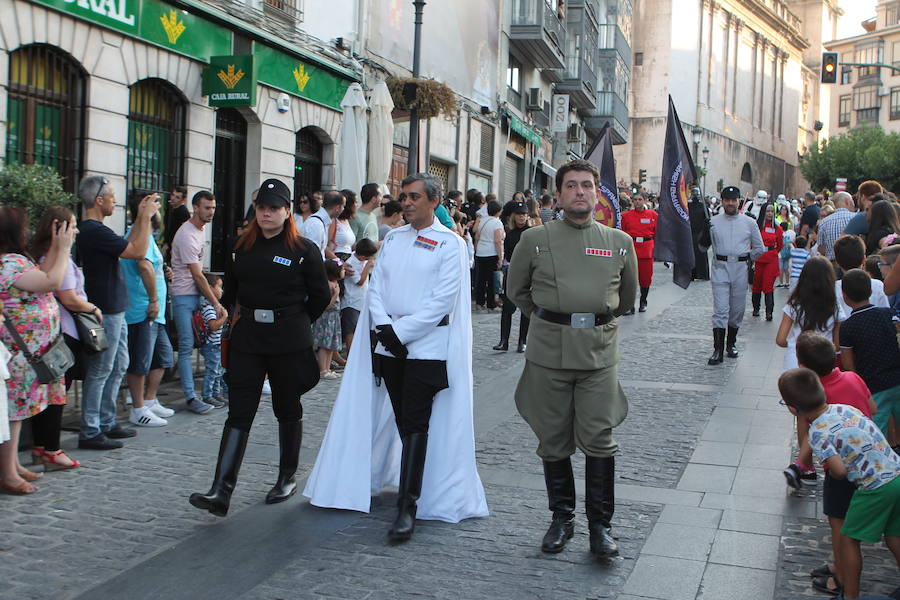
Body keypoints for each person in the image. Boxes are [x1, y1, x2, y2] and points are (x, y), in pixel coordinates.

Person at [304, 172, 489, 542]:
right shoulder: (393, 241)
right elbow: (377, 288)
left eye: (414, 197)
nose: (406, 202)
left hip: (426, 348)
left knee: (416, 422)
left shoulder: (449, 244)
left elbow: (443, 298)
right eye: (403, 196)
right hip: (389, 345)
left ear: (433, 201)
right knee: (404, 418)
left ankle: (408, 505)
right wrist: (386, 329)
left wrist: (401, 332)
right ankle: (398, 485)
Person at [507, 159, 638, 558]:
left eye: (586, 185)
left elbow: (626, 299)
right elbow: (518, 292)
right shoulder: (535, 239)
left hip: (598, 353)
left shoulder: (619, 242)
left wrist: (592, 320)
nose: (580, 192)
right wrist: (552, 321)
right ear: (559, 193)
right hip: (549, 353)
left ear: (597, 193)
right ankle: (562, 517)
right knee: (553, 437)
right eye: (571, 186)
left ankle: (601, 526)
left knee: (600, 437)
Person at [190, 179, 330, 517]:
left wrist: (296, 322)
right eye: (261, 208)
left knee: (286, 406)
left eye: (274, 208)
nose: (266, 213)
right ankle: (220, 490)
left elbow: (322, 296)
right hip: (249, 339)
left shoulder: (304, 250)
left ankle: (286, 476)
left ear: (287, 211)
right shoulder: (242, 246)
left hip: (288, 341)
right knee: (239, 411)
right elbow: (234, 294)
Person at [778, 367, 900, 600]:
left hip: (875, 488)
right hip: (897, 473)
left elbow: (840, 471)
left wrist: (835, 473)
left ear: (794, 408)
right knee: (895, 535)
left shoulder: (817, 432)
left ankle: (850, 595)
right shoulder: (845, 408)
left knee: (848, 539)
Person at [788, 332, 876, 597]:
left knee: (841, 529)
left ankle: (842, 579)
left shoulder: (817, 396)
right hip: (873, 463)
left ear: (803, 369)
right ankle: (838, 566)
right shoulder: (853, 377)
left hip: (843, 470)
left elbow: (809, 439)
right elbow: (872, 407)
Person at [76, 176, 159, 449]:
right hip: (105, 309)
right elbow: (137, 251)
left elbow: (130, 245)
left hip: (116, 307)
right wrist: (145, 217)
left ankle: (106, 421)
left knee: (118, 365)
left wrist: (140, 218)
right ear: (99, 200)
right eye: (111, 196)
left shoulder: (99, 229)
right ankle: (91, 429)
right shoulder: (92, 230)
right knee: (101, 369)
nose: (115, 201)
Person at [0, 206, 74, 493]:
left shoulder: (16, 260)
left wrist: (57, 246)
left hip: (29, 352)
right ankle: (7, 472)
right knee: (15, 412)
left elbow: (44, 273)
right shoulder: (7, 264)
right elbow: (51, 280)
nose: (27, 231)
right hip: (18, 352)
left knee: (20, 411)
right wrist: (64, 248)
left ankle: (11, 465)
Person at [121, 192, 174, 428]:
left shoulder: (147, 236)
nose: (159, 209)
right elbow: (143, 265)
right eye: (156, 205)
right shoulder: (138, 234)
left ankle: (150, 400)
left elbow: (152, 265)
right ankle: (138, 407)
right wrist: (153, 300)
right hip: (143, 308)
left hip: (155, 310)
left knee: (162, 355)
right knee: (140, 361)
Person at [170, 190, 225, 414]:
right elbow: (196, 274)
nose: (211, 212)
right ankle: (191, 397)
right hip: (183, 295)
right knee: (185, 347)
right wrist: (215, 302)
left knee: (206, 344)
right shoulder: (187, 234)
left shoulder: (200, 231)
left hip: (194, 294)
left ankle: (210, 390)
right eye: (206, 208)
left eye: (213, 208)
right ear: (195, 207)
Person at [699, 185, 765, 364]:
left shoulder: (749, 223)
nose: (730, 203)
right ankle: (717, 350)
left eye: (733, 200)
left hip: (740, 269)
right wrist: (705, 233)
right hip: (720, 267)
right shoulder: (713, 221)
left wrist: (747, 258)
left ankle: (731, 343)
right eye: (726, 200)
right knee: (720, 310)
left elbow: (759, 248)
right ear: (722, 201)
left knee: (737, 310)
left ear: (739, 201)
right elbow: (702, 248)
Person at [839, 269, 900, 443]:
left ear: (845, 295)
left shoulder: (847, 327)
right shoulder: (887, 314)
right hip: (897, 380)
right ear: (871, 291)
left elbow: (848, 364)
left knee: (877, 436)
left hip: (873, 387)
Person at [776, 256, 839, 371]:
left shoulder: (794, 304)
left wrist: (793, 344)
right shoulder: (835, 306)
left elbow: (780, 339)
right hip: (823, 362)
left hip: (795, 361)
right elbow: (837, 344)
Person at [493, 201, 530, 353]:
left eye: (524, 215)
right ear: (514, 216)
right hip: (512, 272)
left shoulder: (531, 233)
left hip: (528, 274)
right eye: (519, 215)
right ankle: (504, 341)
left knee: (526, 310)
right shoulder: (509, 233)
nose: (521, 218)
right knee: (507, 308)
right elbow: (507, 254)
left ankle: (522, 341)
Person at [833, 235, 890, 320]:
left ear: (837, 262)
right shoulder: (878, 285)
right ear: (864, 259)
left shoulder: (833, 288)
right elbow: (887, 315)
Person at [620, 192, 658, 313]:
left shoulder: (653, 215)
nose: (637, 202)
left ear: (645, 200)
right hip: (632, 249)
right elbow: (622, 233)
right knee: (630, 279)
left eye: (640, 199)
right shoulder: (626, 216)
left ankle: (643, 301)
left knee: (645, 278)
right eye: (635, 199)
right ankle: (630, 305)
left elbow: (657, 233)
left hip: (646, 250)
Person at [340, 237, 377, 354]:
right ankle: (351, 354)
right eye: (368, 258)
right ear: (362, 257)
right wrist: (367, 266)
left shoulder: (361, 259)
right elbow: (360, 281)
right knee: (351, 330)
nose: (369, 259)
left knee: (360, 329)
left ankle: (358, 353)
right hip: (351, 302)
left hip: (361, 301)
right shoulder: (351, 263)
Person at [199, 273, 228, 407]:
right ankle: (207, 395)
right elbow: (214, 326)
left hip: (216, 345)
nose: (221, 290)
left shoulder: (213, 307)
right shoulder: (208, 307)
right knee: (212, 371)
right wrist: (224, 317)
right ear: (210, 288)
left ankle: (216, 394)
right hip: (211, 345)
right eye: (219, 287)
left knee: (218, 371)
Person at [751, 202, 783, 321]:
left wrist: (772, 252)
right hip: (759, 258)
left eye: (772, 211)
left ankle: (769, 312)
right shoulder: (757, 226)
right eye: (768, 211)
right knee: (757, 284)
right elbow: (751, 241)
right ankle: (756, 309)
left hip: (771, 259)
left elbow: (780, 245)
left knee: (768, 285)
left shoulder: (777, 228)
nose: (770, 214)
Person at [312, 260, 344, 380]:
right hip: (326, 317)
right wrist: (335, 294)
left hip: (334, 317)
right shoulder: (328, 285)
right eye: (342, 270)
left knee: (331, 345)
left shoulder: (335, 283)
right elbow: (325, 305)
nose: (343, 271)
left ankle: (327, 368)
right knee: (324, 344)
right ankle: (323, 370)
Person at [473, 200, 504, 312]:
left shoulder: (482, 220)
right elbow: (497, 241)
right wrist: (500, 257)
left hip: (481, 252)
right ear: (499, 211)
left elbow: (477, 236)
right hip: (492, 253)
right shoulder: (497, 223)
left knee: (480, 278)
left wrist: (476, 250)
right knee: (491, 280)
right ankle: (491, 305)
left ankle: (479, 303)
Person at [301, 190, 345, 259]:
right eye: (343, 206)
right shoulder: (316, 224)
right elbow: (312, 255)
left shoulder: (321, 222)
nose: (343, 209)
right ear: (337, 208)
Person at [816, 191, 855, 260]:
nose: (854, 204)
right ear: (847, 201)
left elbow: (821, 249)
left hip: (832, 264)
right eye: (852, 201)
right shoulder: (855, 218)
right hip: (853, 264)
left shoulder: (824, 222)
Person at [688, 187, 710, 281]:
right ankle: (691, 274)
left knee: (701, 255)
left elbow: (707, 220)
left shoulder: (703, 207)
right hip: (690, 233)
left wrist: (705, 230)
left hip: (700, 233)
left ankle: (702, 274)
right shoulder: (688, 206)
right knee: (691, 255)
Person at [162, 184, 189, 261]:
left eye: (177, 197)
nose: (173, 198)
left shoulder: (183, 212)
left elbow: (185, 233)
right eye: (173, 195)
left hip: (175, 249)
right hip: (169, 246)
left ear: (183, 200)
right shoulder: (170, 209)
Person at [777, 221, 795, 288]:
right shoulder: (791, 233)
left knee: (780, 269)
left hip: (780, 254)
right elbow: (793, 241)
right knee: (786, 268)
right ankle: (787, 282)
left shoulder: (780, 233)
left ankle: (781, 283)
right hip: (788, 253)